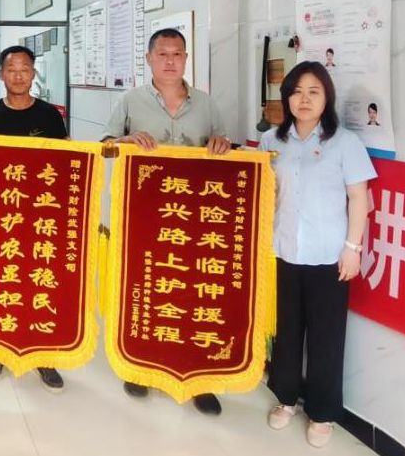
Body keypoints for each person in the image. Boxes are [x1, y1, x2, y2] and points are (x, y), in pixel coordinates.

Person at [101, 27, 231, 415]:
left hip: (194, 222)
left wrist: (222, 146)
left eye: (177, 54)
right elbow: (105, 147)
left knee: (193, 294)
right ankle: (140, 368)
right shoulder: (129, 101)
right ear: (149, 59)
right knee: (144, 291)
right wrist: (124, 142)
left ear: (186, 59)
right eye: (162, 54)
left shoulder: (207, 105)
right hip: (143, 215)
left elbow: (226, 151)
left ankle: (197, 377)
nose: (170, 61)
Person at [257, 61, 374, 448]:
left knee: (326, 338)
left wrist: (353, 248)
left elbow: (359, 198)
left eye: (313, 92)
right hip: (283, 252)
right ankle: (286, 399)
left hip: (328, 256)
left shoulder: (345, 143)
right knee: (286, 333)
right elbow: (263, 195)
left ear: (327, 98)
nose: (304, 99)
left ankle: (322, 413)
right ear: (286, 97)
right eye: (296, 92)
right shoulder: (272, 142)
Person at [0, 45, 67, 392]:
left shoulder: (50, 116)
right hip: (2, 217)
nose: (18, 75)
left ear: (33, 73)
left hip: (41, 216)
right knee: (2, 282)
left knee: (41, 283)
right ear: (1, 74)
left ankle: (43, 354)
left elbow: (65, 161)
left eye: (25, 69)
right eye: (11, 69)